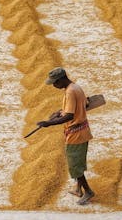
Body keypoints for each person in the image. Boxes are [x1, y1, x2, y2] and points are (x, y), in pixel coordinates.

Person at [36, 67, 95, 205]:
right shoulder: (75, 87)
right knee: (77, 162)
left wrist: (49, 123)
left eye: (55, 83)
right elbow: (83, 104)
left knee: (75, 166)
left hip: (76, 134)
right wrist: (60, 112)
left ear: (62, 79)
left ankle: (88, 191)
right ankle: (78, 189)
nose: (54, 86)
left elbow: (70, 115)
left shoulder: (70, 92)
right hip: (81, 131)